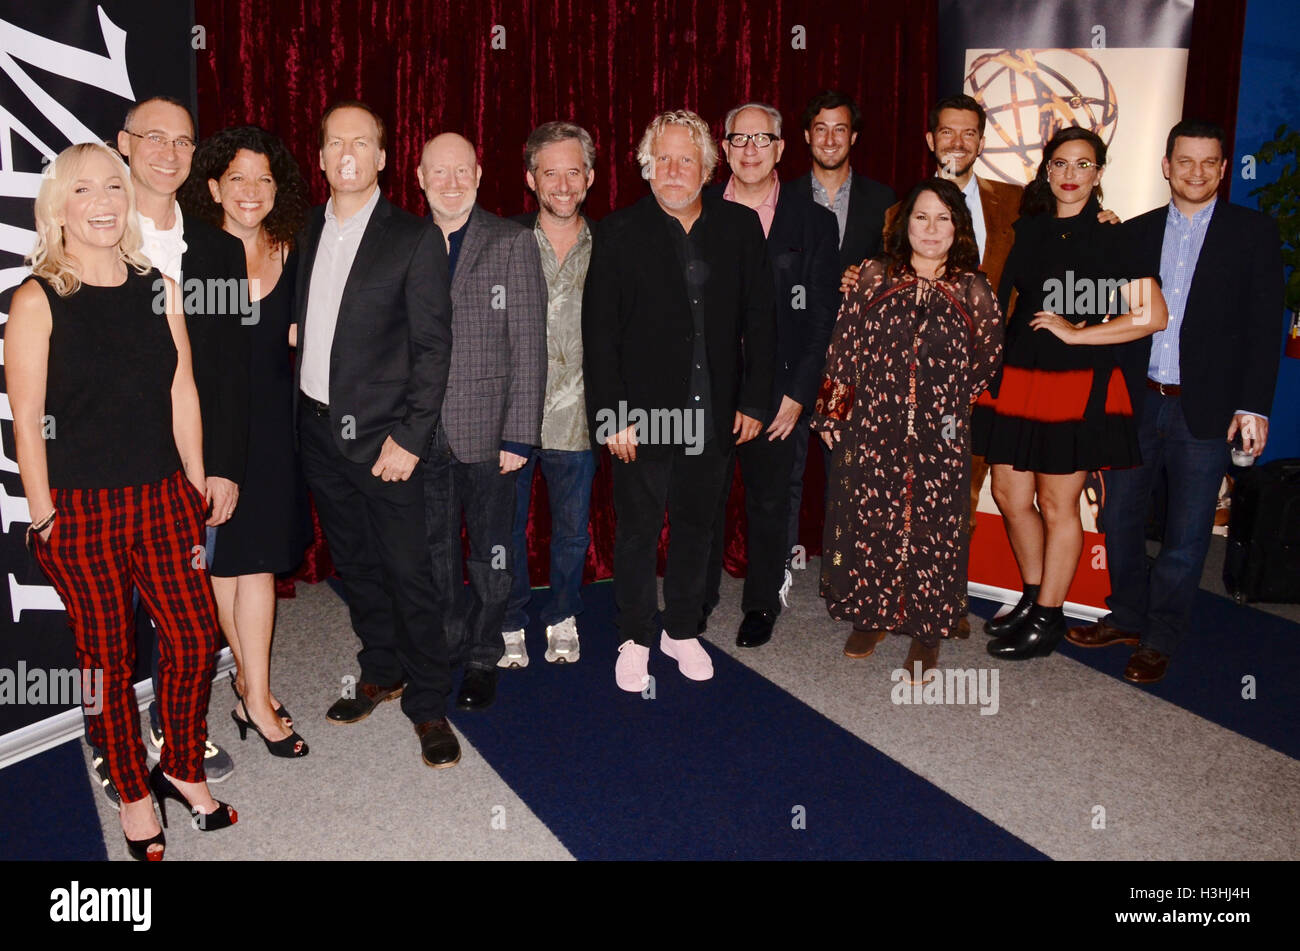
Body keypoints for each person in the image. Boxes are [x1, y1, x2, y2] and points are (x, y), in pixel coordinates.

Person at [9, 142, 238, 859]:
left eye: (114, 184)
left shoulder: (159, 285)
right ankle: (133, 792)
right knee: (104, 657)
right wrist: (43, 513)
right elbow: (26, 420)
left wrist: (197, 473)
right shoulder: (36, 298)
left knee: (197, 638)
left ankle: (179, 764)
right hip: (80, 509)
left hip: (166, 496)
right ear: (59, 207)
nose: (104, 200)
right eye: (84, 190)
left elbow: (182, 387)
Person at [1067, 119, 1284, 683]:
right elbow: (1109, 325)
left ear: (1222, 169)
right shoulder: (1132, 233)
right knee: (1119, 516)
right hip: (1138, 401)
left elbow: (1264, 329)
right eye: (1184, 161)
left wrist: (1254, 406)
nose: (1196, 172)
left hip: (1206, 410)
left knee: (1187, 535)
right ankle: (1128, 615)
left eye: (1208, 162)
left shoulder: (1253, 233)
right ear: (1166, 166)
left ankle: (1161, 636)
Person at [582, 109, 776, 692]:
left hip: (713, 412)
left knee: (698, 526)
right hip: (641, 417)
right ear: (646, 167)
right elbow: (599, 334)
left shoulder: (739, 228)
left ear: (706, 167)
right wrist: (611, 415)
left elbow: (761, 322)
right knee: (638, 531)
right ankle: (635, 634)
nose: (673, 169)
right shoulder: (617, 232)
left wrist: (755, 400)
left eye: (685, 159)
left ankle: (683, 629)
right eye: (661, 158)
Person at [297, 101, 460, 768]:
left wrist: (412, 437)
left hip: (387, 440)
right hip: (316, 430)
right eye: (335, 142)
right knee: (356, 566)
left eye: (361, 142)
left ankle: (428, 702)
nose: (347, 153)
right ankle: (381, 668)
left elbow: (433, 349)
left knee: (408, 573)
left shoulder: (413, 238)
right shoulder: (306, 227)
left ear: (383, 158)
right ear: (321, 156)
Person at [972, 126, 1168, 660]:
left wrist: (1079, 332)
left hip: (1076, 381)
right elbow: (1005, 301)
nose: (1070, 175)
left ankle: (1049, 619)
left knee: (1058, 504)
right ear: (1047, 169)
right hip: (1017, 376)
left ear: (1099, 174)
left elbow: (1152, 314)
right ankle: (1034, 597)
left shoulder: (1113, 236)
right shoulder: (1029, 229)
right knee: (1012, 495)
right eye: (1061, 163)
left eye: (1083, 165)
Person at [811, 178, 1003, 681]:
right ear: (904, 224)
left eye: (943, 218)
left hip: (941, 432)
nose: (931, 228)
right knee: (871, 517)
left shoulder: (974, 288)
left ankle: (926, 629)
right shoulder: (873, 276)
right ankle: (870, 615)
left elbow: (987, 360)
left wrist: (946, 408)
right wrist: (834, 411)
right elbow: (844, 346)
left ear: (957, 227)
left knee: (935, 526)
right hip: (873, 424)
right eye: (921, 217)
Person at [116, 95, 247, 784]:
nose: (168, 153)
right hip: (110, 471)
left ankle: (175, 728)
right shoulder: (96, 238)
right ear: (125, 144)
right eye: (154, 138)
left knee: (184, 619)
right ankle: (114, 743)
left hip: (192, 470)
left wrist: (221, 466)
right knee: (110, 624)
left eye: (183, 142)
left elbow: (227, 372)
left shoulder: (221, 248)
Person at [179, 126, 311, 756]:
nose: (251, 191)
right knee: (222, 565)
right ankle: (254, 694)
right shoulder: (196, 254)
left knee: (254, 561)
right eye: (237, 179)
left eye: (263, 178)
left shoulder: (294, 247)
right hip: (213, 430)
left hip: (277, 432)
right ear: (213, 187)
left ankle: (252, 692)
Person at [702, 101, 839, 648]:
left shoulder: (814, 222)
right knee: (704, 499)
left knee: (769, 501)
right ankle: (698, 598)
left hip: (780, 391)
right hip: (709, 387)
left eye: (763, 140)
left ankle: (761, 602)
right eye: (740, 140)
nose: (751, 149)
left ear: (782, 149)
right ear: (725, 150)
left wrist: (799, 395)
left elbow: (822, 319)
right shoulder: (700, 210)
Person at [417, 133, 547, 711]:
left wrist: (520, 432)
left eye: (460, 171)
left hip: (491, 430)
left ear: (478, 172)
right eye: (437, 172)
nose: (449, 182)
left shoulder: (512, 242)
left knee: (492, 552)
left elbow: (530, 345)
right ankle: (444, 648)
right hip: (417, 432)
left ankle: (481, 656)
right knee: (433, 550)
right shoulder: (403, 240)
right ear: (420, 178)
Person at [500, 121, 599, 668]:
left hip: (580, 419)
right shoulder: (503, 241)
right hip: (513, 419)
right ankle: (511, 620)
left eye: (572, 172)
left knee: (571, 533)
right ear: (531, 180)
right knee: (507, 530)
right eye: (549, 172)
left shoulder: (610, 246)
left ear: (588, 177)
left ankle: (563, 614)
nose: (562, 184)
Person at [789, 90, 896, 271]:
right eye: (821, 129)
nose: (830, 140)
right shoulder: (785, 198)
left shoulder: (882, 199)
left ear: (853, 137)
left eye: (839, 129)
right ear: (808, 135)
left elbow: (892, 265)